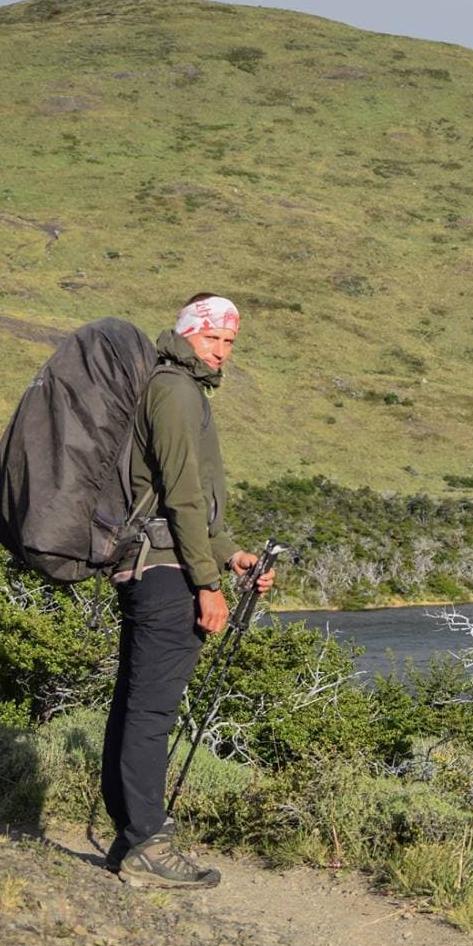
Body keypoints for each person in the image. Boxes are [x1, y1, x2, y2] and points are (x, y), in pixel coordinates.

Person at [100, 292, 275, 888]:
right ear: (186, 333)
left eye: (229, 341)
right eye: (212, 338)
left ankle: (131, 836)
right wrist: (207, 583)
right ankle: (147, 842)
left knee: (135, 702)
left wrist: (231, 555)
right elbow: (181, 495)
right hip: (167, 572)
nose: (221, 351)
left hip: (153, 565)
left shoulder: (174, 386)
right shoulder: (175, 390)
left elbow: (186, 498)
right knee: (151, 710)